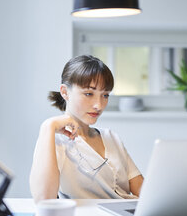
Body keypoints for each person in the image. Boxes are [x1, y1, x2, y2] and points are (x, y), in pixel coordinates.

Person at [30, 55, 143, 202]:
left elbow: (141, 190)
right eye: (89, 94)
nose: (99, 105)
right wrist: (48, 126)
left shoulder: (111, 137)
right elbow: (44, 199)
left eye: (105, 95)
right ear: (65, 92)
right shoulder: (55, 141)